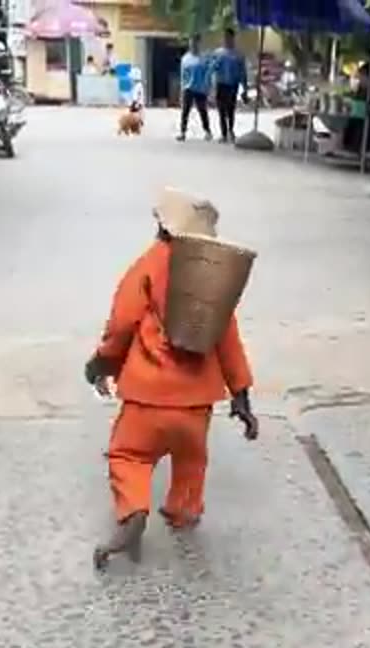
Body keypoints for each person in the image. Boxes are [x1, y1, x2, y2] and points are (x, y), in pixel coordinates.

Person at [85, 188, 259, 569]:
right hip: (196, 403)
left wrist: (102, 362)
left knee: (128, 454)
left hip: (148, 393)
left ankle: (133, 511)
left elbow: (122, 323)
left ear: (163, 226)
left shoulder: (149, 263)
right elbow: (227, 337)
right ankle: (184, 509)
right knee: (192, 459)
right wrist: (241, 395)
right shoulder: (211, 278)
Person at [209, 28, 247, 143]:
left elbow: (242, 72)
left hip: (232, 85)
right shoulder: (218, 53)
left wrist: (245, 88)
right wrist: (210, 86)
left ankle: (231, 130)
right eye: (225, 38)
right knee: (221, 110)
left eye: (229, 38)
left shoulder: (238, 55)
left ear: (233, 38)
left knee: (230, 109)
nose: (227, 40)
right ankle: (223, 133)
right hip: (221, 84)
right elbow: (212, 69)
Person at [177, 36, 213, 142]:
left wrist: (209, 87)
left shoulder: (204, 58)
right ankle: (182, 132)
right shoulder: (185, 59)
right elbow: (183, 75)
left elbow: (208, 74)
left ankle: (207, 131)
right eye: (191, 43)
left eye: (195, 43)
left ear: (198, 43)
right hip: (188, 88)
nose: (193, 45)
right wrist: (182, 89)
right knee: (185, 111)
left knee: (203, 111)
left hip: (201, 88)